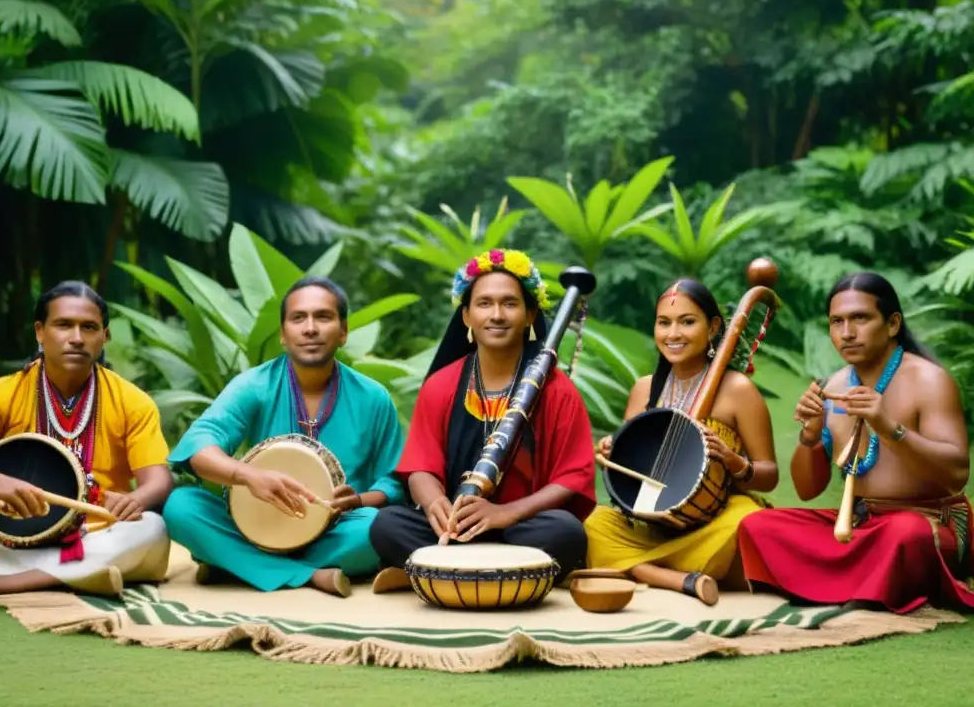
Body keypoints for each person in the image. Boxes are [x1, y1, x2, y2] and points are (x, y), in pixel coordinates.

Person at [737, 272, 974, 613]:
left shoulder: (930, 381)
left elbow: (955, 474)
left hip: (928, 523)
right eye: (837, 322)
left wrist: (888, 426)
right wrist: (810, 437)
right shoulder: (834, 385)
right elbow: (807, 490)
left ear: (893, 324)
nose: (846, 333)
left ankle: (833, 585)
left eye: (860, 318)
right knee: (758, 525)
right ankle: (863, 583)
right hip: (860, 525)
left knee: (904, 536)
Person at [162, 277, 406, 597]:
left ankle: (234, 563)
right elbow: (199, 445)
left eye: (323, 317)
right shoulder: (254, 385)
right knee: (180, 506)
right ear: (282, 334)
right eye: (298, 318)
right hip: (255, 525)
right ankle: (308, 576)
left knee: (377, 527)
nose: (310, 328)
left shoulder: (373, 397)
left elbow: (393, 481)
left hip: (337, 530)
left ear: (343, 331)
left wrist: (358, 500)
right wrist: (247, 475)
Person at [369, 249, 597, 592]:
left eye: (510, 304)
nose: (497, 315)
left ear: (529, 314)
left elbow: (572, 478)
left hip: (521, 527)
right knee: (386, 525)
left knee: (565, 532)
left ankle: (437, 570)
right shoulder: (441, 385)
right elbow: (420, 468)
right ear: (466, 316)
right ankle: (502, 572)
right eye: (485, 303)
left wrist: (506, 513)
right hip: (456, 527)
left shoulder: (557, 390)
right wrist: (436, 506)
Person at [0, 282, 174, 607]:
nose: (77, 337)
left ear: (105, 337)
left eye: (89, 327)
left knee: (151, 529)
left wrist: (137, 499)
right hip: (7, 536)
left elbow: (159, 479)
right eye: (64, 325)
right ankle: (73, 577)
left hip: (96, 534)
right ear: (40, 332)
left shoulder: (132, 401)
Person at [584, 279, 779, 605]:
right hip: (654, 523)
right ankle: (673, 577)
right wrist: (611, 454)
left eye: (687, 322)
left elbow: (769, 475)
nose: (673, 334)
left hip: (716, 519)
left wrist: (734, 462)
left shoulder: (738, 390)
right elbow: (633, 473)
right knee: (595, 523)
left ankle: (636, 567)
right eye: (664, 323)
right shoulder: (644, 389)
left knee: (748, 521)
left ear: (714, 327)